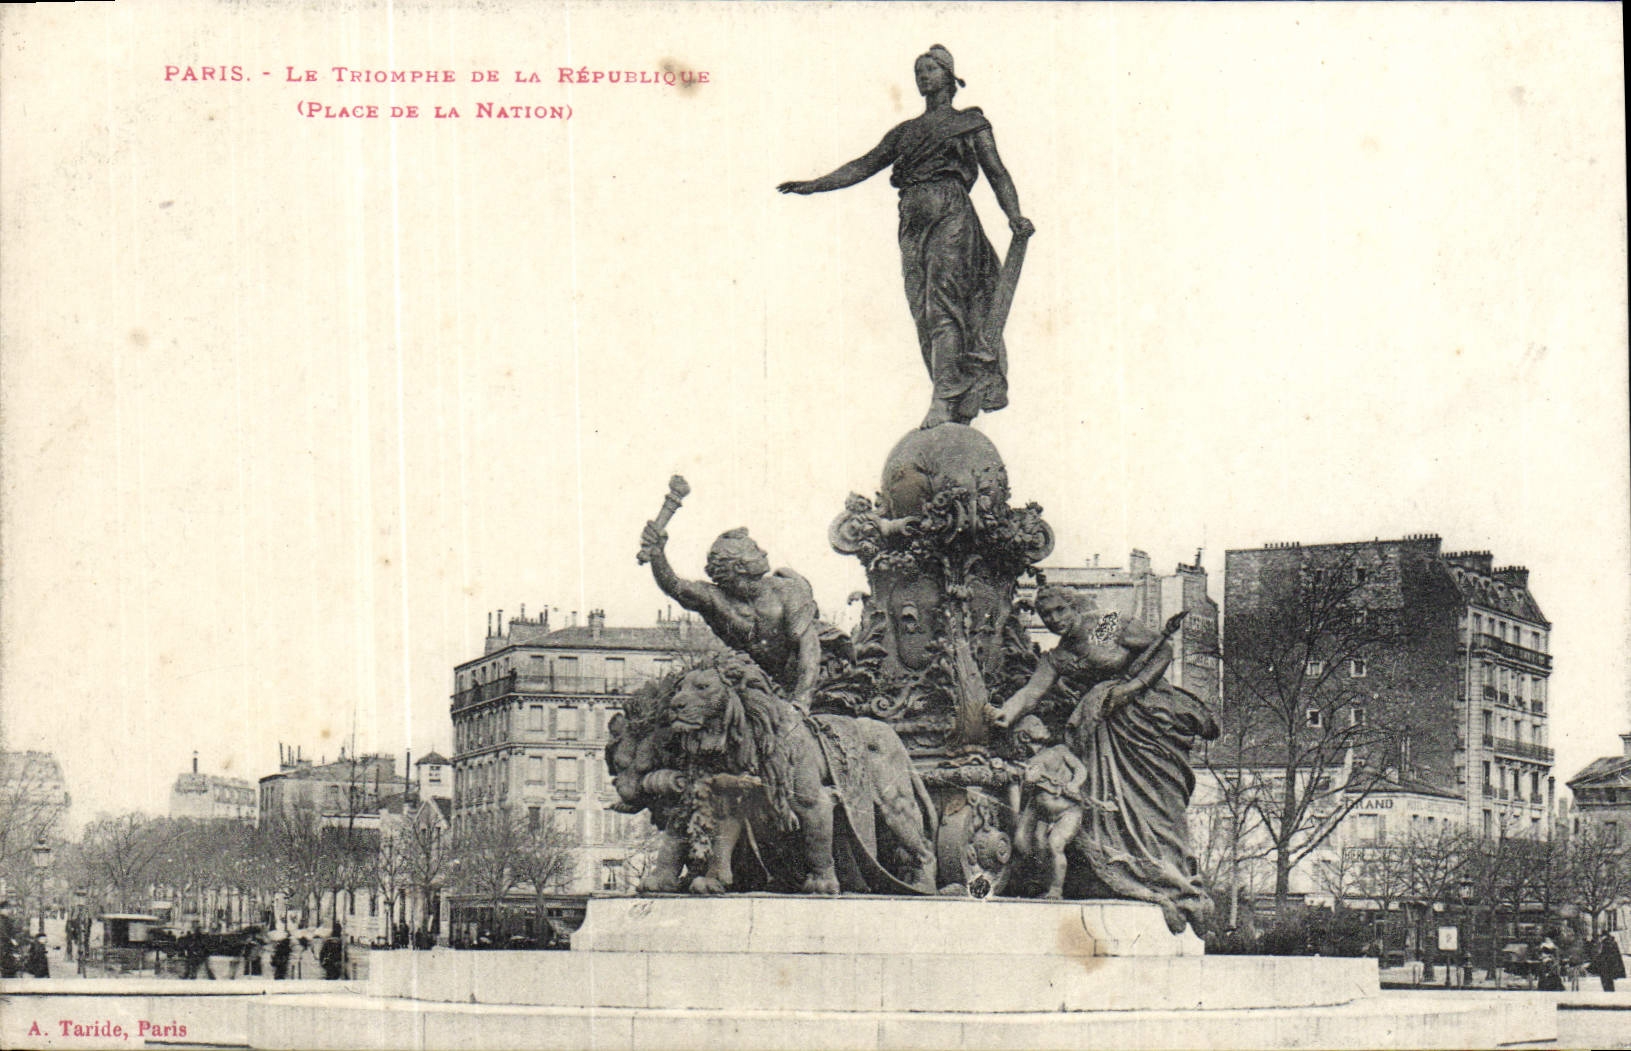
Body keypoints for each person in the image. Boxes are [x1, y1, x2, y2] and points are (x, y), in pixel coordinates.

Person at [778, 46, 1035, 429]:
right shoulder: (906, 132)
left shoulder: (969, 122)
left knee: (941, 303)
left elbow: (996, 171)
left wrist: (1014, 215)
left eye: (930, 68)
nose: (922, 76)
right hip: (912, 220)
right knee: (922, 309)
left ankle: (943, 399)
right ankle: (950, 390)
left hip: (950, 211)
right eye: (918, 71)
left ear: (949, 75)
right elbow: (864, 165)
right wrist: (816, 185)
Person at [991, 584, 1218, 934]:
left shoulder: (1104, 626)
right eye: (1046, 615)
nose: (1053, 620)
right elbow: (1031, 693)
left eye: (1059, 611)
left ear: (1073, 606)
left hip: (1144, 718)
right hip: (1102, 733)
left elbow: (1163, 649)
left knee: (1157, 803)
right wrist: (1003, 714)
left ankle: (1177, 880)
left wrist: (1132, 688)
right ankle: (1131, 875)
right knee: (1110, 810)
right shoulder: (1058, 656)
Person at [639, 524, 844, 709]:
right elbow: (675, 586)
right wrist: (657, 554)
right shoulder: (715, 599)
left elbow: (809, 648)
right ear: (739, 566)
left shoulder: (787, 589)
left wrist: (801, 701)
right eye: (755, 550)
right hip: (771, 682)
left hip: (821, 672)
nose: (764, 553)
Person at [1011, 715, 1089, 900]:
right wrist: (1028, 783)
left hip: (1067, 810)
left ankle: (1056, 890)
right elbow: (1024, 799)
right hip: (1041, 813)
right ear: (1024, 737)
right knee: (1024, 843)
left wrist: (1074, 784)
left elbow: (1080, 769)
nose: (1043, 726)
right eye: (1037, 724)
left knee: (1055, 844)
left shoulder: (1059, 750)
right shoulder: (1027, 764)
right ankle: (1037, 884)